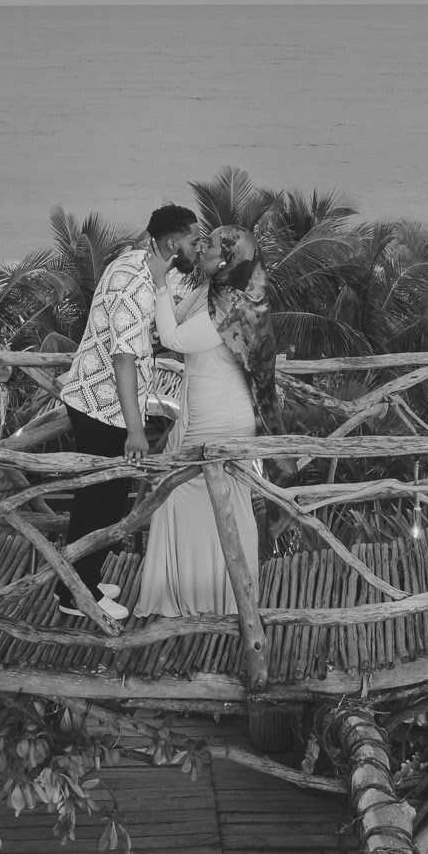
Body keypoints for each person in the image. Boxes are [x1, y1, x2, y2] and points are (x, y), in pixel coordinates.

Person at [52, 204, 203, 621]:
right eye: (194, 240)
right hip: (101, 407)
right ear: (173, 243)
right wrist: (135, 432)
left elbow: (173, 309)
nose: (199, 246)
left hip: (111, 403)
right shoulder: (129, 283)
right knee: (98, 503)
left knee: (107, 497)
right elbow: (123, 360)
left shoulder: (153, 267)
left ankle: (87, 576)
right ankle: (72, 593)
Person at [134, 228, 268, 617]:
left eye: (207, 246)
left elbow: (173, 338)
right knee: (193, 501)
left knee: (202, 500)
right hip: (204, 409)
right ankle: (209, 596)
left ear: (224, 260)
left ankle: (219, 599)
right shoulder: (211, 290)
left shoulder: (230, 305)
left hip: (221, 416)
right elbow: (172, 318)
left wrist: (159, 280)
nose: (199, 248)